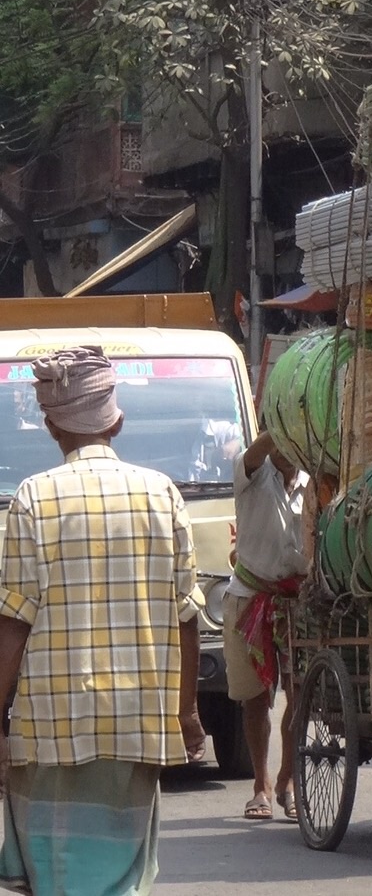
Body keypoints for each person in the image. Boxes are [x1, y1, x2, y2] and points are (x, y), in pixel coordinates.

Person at [0, 345, 205, 896]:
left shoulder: (32, 498)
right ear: (116, 421)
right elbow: (186, 616)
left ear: (51, 426)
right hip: (137, 726)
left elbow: (14, 623)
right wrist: (187, 713)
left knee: (58, 875)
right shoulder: (162, 495)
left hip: (50, 728)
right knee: (117, 879)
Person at [222, 429, 309, 821]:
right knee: (255, 699)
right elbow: (260, 446)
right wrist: (284, 417)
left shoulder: (316, 478)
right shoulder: (251, 470)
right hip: (248, 596)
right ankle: (262, 785)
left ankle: (288, 780)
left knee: (299, 693)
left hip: (299, 601)